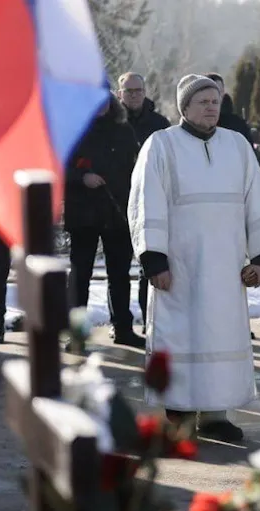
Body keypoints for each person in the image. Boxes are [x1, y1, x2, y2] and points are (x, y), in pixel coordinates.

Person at [128, 74, 260, 442]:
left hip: (227, 269)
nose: (211, 107)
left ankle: (217, 413)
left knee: (221, 336)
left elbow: (258, 203)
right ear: (185, 106)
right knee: (180, 339)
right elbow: (144, 205)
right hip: (179, 268)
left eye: (215, 101)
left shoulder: (237, 146)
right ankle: (180, 413)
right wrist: (155, 261)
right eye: (202, 101)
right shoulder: (161, 146)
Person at [65, 90, 145, 349]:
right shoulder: (73, 130)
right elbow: (59, 166)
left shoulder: (124, 131)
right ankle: (76, 334)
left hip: (116, 212)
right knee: (80, 277)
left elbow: (137, 167)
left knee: (120, 275)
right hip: (83, 213)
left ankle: (123, 327)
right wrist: (81, 178)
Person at [117, 72, 171, 334]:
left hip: (152, 204)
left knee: (149, 266)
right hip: (117, 205)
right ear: (120, 94)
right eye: (129, 91)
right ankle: (122, 325)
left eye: (138, 90)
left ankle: (152, 324)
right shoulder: (111, 123)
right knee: (118, 271)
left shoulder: (159, 123)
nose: (135, 95)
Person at [204, 72, 254, 144]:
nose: (215, 96)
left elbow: (248, 152)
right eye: (210, 92)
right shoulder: (198, 123)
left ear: (223, 92)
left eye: (218, 92)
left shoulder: (238, 125)